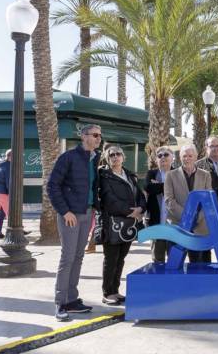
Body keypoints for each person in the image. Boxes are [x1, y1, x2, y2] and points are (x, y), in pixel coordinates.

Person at [47, 124, 102, 321]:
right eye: (95, 135)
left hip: (87, 213)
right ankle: (60, 302)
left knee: (78, 256)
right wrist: (65, 211)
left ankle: (71, 299)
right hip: (70, 215)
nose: (99, 138)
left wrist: (94, 206)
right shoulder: (68, 157)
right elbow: (52, 186)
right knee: (68, 257)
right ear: (84, 136)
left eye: (100, 135)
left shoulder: (94, 159)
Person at [97, 146, 146, 305]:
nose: (115, 157)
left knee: (121, 258)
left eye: (118, 154)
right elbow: (108, 199)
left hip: (128, 225)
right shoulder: (103, 176)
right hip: (112, 224)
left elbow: (140, 195)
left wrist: (141, 208)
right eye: (111, 155)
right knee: (111, 258)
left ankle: (115, 291)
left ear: (123, 157)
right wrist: (130, 212)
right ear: (107, 158)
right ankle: (107, 292)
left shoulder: (130, 175)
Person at [165, 144, 213, 263]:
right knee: (175, 263)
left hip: (199, 226)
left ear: (196, 157)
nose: (187, 158)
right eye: (184, 156)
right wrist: (187, 217)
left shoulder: (205, 175)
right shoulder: (170, 175)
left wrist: (197, 217)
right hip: (178, 224)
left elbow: (208, 200)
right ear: (180, 157)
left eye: (190, 156)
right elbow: (169, 200)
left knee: (199, 265)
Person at [145, 146, 174, 263]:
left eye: (166, 155)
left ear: (173, 158)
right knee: (157, 260)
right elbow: (148, 188)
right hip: (156, 222)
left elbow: (180, 191)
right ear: (156, 160)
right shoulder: (151, 173)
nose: (163, 157)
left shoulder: (178, 173)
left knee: (175, 260)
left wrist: (159, 186)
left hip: (174, 224)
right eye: (159, 156)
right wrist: (167, 187)